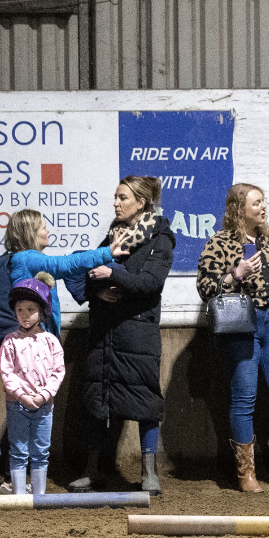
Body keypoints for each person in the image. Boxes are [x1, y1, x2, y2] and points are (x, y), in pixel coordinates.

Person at [196, 182, 269, 492]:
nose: (262, 207)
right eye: (256, 202)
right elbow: (206, 289)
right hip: (240, 325)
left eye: (263, 202)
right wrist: (235, 275)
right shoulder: (219, 243)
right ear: (238, 209)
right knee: (244, 399)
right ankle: (246, 473)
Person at [79, 175, 176, 495]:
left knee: (145, 399)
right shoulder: (112, 235)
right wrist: (99, 290)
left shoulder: (160, 238)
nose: (116, 203)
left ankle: (149, 472)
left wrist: (113, 274)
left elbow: (151, 283)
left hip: (137, 333)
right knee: (98, 399)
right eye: (116, 197)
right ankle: (94, 470)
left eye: (122, 197)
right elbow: (86, 277)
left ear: (142, 202)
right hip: (104, 331)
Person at [0, 208, 110, 343]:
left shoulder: (28, 259)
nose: (47, 231)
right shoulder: (26, 259)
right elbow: (67, 264)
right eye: (44, 227)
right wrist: (109, 252)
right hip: (34, 343)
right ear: (31, 233)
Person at [0, 278, 65, 498]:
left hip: (44, 406)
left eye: (30, 309)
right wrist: (23, 396)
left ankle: (40, 495)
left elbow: (58, 372)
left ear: (41, 311)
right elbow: (7, 373)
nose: (24, 314)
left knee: (40, 450)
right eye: (20, 310)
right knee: (18, 450)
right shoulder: (9, 341)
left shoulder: (51, 341)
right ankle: (19, 495)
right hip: (18, 405)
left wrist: (44, 395)